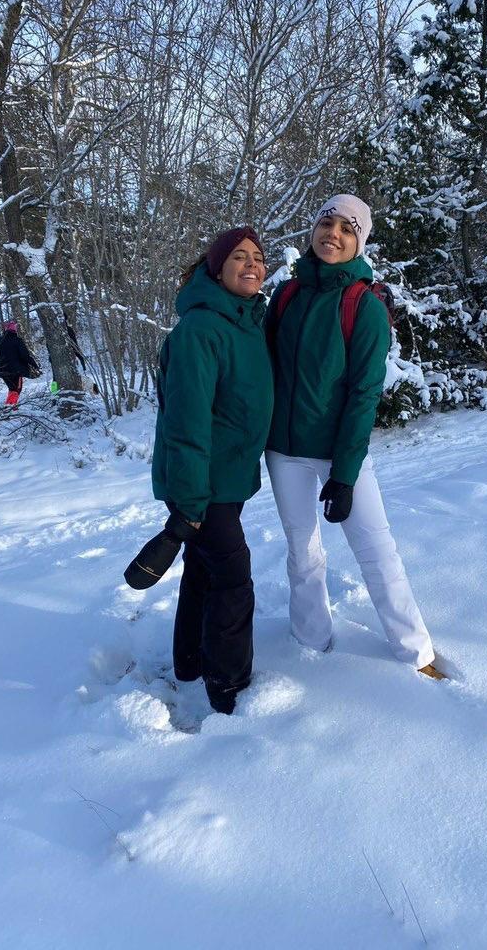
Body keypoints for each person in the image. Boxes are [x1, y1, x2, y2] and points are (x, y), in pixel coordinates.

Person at [265, 194, 445, 680]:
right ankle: (310, 638)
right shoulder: (285, 295)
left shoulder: (362, 305)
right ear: (313, 229)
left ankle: (415, 652)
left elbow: (364, 394)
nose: (335, 233)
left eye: (349, 228)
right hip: (284, 453)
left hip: (339, 455)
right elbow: (260, 370)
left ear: (358, 241)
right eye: (328, 222)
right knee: (301, 551)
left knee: (376, 550)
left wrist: (343, 476)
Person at [148, 227, 273, 714]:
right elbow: (186, 422)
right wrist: (190, 501)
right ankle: (229, 687)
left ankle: (190, 661)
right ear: (215, 268)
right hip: (204, 483)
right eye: (239, 257)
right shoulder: (201, 329)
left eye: (258, 258)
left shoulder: (245, 323)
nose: (252, 265)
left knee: (202, 570)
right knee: (232, 579)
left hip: (228, 479)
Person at [0, 320, 41, 406]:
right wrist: (35, 365)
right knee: (16, 389)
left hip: (2, 370)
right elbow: (25, 356)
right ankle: (10, 408)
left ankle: (10, 406)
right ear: (15, 330)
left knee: (12, 388)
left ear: (6, 330)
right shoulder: (18, 341)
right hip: (16, 370)